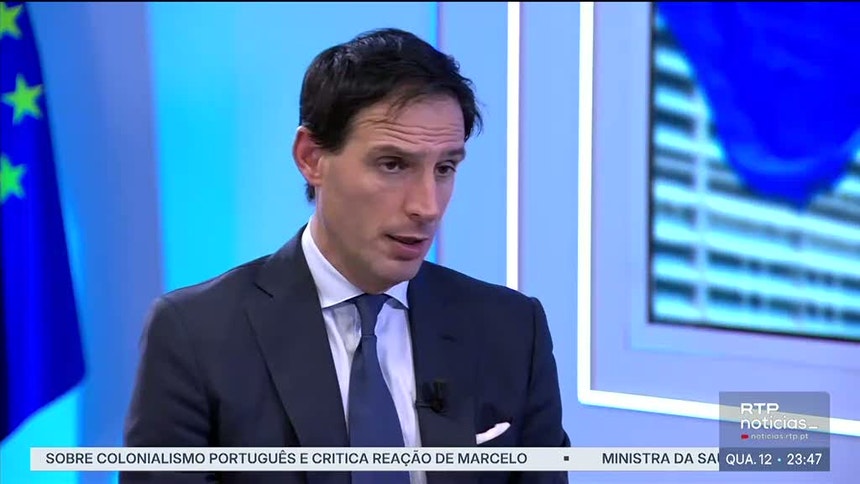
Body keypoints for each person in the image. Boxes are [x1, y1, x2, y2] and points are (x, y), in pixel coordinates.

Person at [122, 27, 570, 484]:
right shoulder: (195, 335)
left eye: (445, 168)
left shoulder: (512, 330)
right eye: (393, 164)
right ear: (311, 158)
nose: (428, 206)